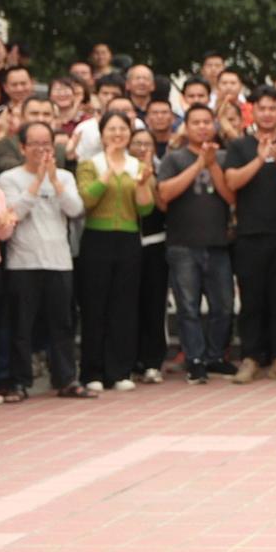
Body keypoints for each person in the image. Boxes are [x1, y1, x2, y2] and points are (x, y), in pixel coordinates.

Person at [0, 122, 89, 401]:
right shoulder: (9, 179)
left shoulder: (63, 176)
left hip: (59, 261)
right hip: (23, 262)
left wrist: (55, 181)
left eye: (46, 144)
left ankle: (66, 379)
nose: (41, 150)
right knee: (22, 327)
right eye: (35, 144)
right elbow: (15, 214)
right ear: (23, 147)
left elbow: (76, 209)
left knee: (61, 324)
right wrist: (38, 181)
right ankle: (19, 381)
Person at [222, 86, 276, 383]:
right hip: (249, 234)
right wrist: (259, 158)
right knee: (252, 299)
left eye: (273, 108)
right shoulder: (240, 146)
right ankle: (251, 357)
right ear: (252, 111)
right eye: (262, 108)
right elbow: (232, 182)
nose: (268, 113)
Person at [157, 105, 238, 384]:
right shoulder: (174, 158)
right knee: (188, 307)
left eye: (207, 122)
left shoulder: (224, 157)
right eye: (196, 122)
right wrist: (198, 165)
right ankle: (195, 359)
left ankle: (215, 356)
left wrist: (212, 164)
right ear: (186, 127)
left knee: (224, 306)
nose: (202, 127)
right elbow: (165, 194)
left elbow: (231, 197)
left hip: (217, 244)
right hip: (182, 245)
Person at [75, 110, 153, 392]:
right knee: (95, 306)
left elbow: (145, 208)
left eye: (123, 129)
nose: (118, 134)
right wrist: (108, 169)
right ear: (102, 133)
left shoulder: (138, 165)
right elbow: (87, 199)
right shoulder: (89, 164)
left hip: (129, 240)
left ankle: (120, 370)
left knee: (125, 305)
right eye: (112, 129)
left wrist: (143, 184)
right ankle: (92, 371)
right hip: (97, 239)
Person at [127, 126, 170, 383]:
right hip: (127, 243)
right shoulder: (119, 168)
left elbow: (164, 206)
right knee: (129, 305)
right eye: (137, 143)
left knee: (154, 304)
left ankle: (153, 361)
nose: (142, 148)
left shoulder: (162, 168)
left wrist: (150, 178)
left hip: (155, 243)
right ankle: (131, 360)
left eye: (147, 144)